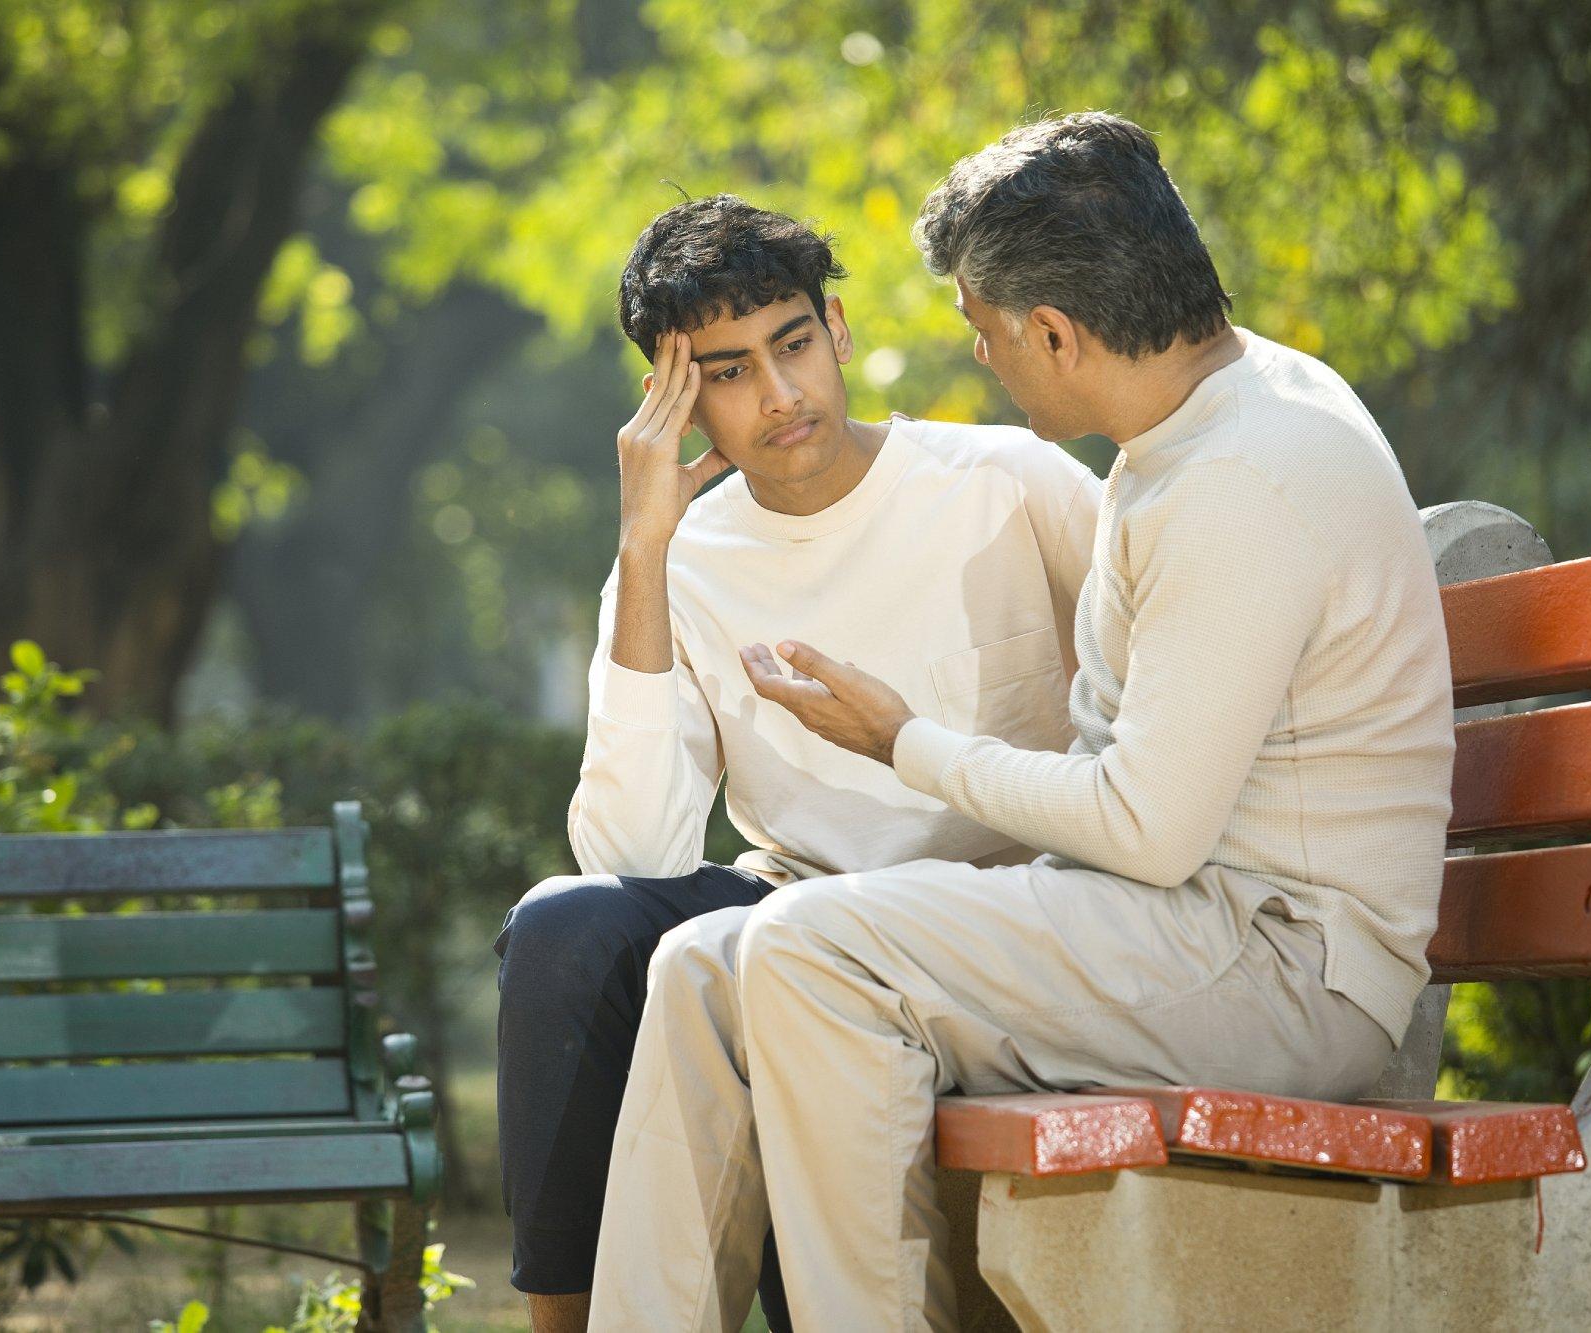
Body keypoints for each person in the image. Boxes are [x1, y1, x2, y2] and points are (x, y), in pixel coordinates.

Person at [588, 113, 1457, 1331]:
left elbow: (1148, 829)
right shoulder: (1206, 416)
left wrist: (902, 738)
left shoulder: (1239, 480)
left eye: (987, 334)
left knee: (802, 948)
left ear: (1054, 330)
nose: (983, 361)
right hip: (1181, 927)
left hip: (1278, 964)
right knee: (698, 966)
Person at [493, 194, 1103, 1333]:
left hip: (1005, 917)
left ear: (836, 329)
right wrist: (642, 546)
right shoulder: (677, 562)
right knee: (562, 929)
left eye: (790, 345)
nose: (778, 396)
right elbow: (633, 852)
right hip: (792, 904)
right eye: (726, 372)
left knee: (774, 971)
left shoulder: (1006, 480)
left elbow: (1150, 692)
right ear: (672, 403)